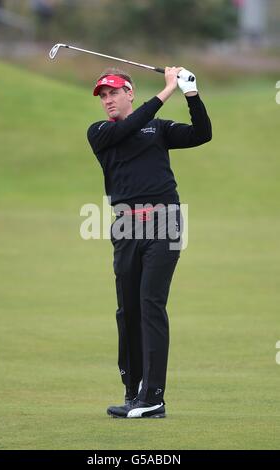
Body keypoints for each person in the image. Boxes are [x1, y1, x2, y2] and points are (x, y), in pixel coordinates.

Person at [87, 65, 212, 419]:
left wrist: (190, 93)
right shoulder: (99, 132)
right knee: (127, 310)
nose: (108, 100)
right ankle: (134, 392)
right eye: (103, 96)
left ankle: (154, 397)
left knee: (150, 304)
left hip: (164, 222)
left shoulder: (158, 128)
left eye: (114, 92)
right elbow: (127, 129)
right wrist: (165, 90)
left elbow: (202, 134)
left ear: (130, 92)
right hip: (125, 228)